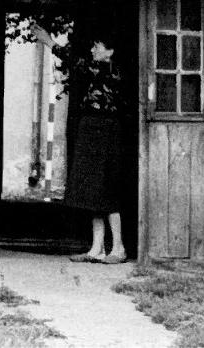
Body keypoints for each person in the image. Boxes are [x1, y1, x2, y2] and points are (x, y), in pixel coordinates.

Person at [62, 41, 127, 263]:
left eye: (97, 46)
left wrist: (50, 42)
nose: (92, 50)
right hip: (92, 128)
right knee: (93, 189)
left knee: (107, 188)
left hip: (105, 130)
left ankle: (118, 248)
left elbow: (77, 62)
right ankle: (97, 248)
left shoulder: (110, 70)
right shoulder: (99, 72)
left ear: (110, 51)